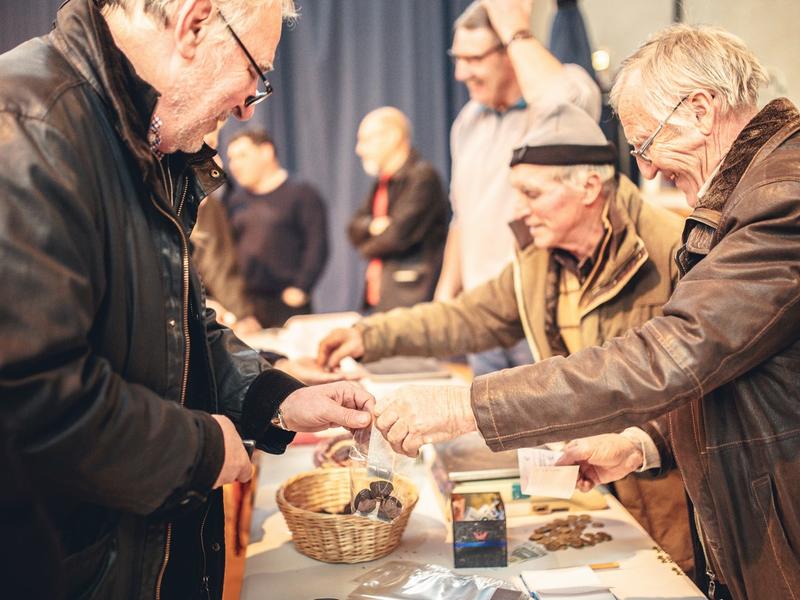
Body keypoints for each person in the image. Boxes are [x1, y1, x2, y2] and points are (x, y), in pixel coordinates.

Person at [373, 25, 800, 600]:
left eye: (645, 144)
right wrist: (641, 445)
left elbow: (671, 355)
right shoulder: (752, 193)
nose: (645, 171)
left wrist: (465, 405)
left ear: (701, 110)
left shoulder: (781, 198)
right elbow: (730, 383)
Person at [0, 1, 374, 598]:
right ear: (195, 24)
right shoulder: (28, 126)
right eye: (255, 71)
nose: (248, 106)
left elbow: (178, 323)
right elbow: (30, 401)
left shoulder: (144, 136)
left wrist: (274, 397)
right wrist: (198, 451)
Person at [319, 103, 692, 569]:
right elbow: (466, 316)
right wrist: (368, 334)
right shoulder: (538, 258)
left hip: (666, 493)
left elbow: (703, 392)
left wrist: (639, 444)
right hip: (588, 486)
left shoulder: (678, 252)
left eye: (530, 193)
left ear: (590, 188)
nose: (518, 210)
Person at [434, 0, 601, 375]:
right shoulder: (467, 122)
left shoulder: (552, 107)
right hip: (482, 316)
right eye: (457, 58)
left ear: (510, 51)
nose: (461, 73)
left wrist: (515, 27)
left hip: (538, 314)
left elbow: (565, 101)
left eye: (474, 59)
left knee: (550, 427)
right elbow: (463, 218)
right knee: (488, 430)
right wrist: (446, 296)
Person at [225, 128, 329, 327]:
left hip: (286, 303)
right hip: (247, 305)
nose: (235, 165)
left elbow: (317, 244)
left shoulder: (301, 193)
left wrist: (301, 286)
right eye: (231, 158)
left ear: (266, 152)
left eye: (242, 156)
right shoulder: (235, 201)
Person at [349, 107, 449, 312]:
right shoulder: (382, 182)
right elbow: (352, 228)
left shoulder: (422, 177)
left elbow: (396, 236)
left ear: (393, 136)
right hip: (382, 293)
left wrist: (366, 244)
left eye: (366, 140)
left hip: (411, 295)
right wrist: (373, 226)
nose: (359, 149)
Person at [192, 121, 262, 334]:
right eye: (207, 145)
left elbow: (217, 263)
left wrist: (240, 315)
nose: (218, 164)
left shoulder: (206, 206)